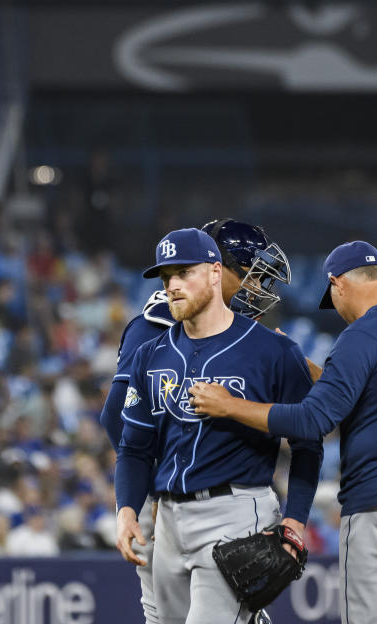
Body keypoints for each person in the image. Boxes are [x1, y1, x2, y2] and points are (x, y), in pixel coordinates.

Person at [191, 240, 377, 624]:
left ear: (338, 284)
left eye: (333, 297)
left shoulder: (360, 335)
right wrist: (299, 363)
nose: (337, 310)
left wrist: (229, 406)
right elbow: (373, 394)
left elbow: (313, 421)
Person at [113, 228, 321, 624]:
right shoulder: (149, 354)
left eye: (183, 273)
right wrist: (125, 510)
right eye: (166, 277)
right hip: (169, 518)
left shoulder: (274, 351)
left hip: (237, 512)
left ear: (213, 272)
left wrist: (295, 518)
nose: (173, 285)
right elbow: (133, 448)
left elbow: (307, 442)